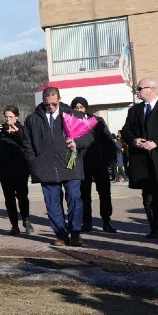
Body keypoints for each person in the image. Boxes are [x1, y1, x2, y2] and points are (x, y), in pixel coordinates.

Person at [22, 87, 94, 247]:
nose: (51, 107)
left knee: (75, 198)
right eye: (48, 105)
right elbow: (27, 143)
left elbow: (89, 135)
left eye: (54, 104)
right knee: (52, 203)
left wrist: (78, 143)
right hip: (45, 167)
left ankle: (75, 233)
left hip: (71, 165)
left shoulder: (73, 115)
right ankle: (61, 234)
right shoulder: (32, 119)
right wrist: (34, 162)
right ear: (43, 101)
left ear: (59, 99)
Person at [121, 78, 158, 239]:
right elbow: (125, 131)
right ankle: (155, 228)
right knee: (149, 197)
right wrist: (134, 140)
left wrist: (157, 143)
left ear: (152, 89)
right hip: (143, 162)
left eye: (139, 88)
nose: (136, 91)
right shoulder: (134, 110)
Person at [70, 97, 117, 233]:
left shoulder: (96, 120)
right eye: (76, 107)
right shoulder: (69, 122)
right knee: (84, 194)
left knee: (104, 193)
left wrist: (111, 158)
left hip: (99, 161)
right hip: (81, 163)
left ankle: (107, 221)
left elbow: (108, 139)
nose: (78, 110)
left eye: (81, 107)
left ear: (86, 108)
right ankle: (87, 222)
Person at [0, 106, 33, 235]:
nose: (8, 119)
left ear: (16, 117)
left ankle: (26, 219)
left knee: (23, 196)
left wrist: (18, 132)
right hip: (5, 168)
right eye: (6, 117)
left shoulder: (23, 129)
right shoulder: (1, 130)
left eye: (11, 117)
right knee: (9, 198)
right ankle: (14, 225)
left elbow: (28, 143)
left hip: (20, 168)